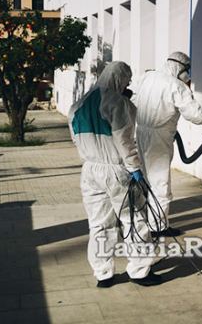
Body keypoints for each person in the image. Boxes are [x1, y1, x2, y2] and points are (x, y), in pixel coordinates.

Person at [68, 61, 161, 288]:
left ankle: (103, 273)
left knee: (99, 223)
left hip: (90, 169)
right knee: (134, 219)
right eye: (127, 81)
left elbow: (74, 137)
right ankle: (139, 271)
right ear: (120, 79)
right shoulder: (116, 102)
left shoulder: (78, 104)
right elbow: (124, 139)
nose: (127, 85)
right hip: (116, 169)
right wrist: (134, 168)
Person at [133, 52, 202, 237]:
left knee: (145, 180)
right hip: (159, 138)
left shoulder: (148, 77)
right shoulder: (176, 86)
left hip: (141, 132)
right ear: (179, 68)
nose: (188, 75)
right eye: (186, 71)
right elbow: (195, 115)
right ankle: (158, 227)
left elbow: (134, 101)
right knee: (160, 184)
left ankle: (143, 221)